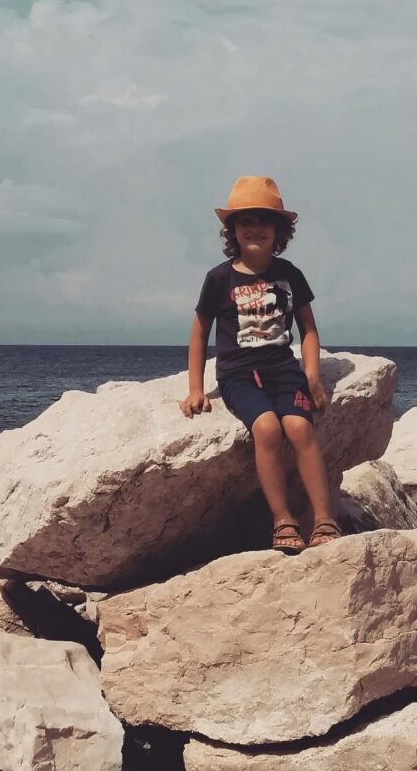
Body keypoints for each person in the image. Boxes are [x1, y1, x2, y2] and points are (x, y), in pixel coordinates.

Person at [178, 175, 342, 553]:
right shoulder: (219, 279)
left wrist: (312, 376)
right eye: (245, 221)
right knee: (267, 428)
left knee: (300, 428)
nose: (255, 228)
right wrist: (195, 389)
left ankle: (323, 519)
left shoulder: (289, 275)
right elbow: (200, 332)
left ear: (279, 230)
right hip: (239, 374)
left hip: (283, 371)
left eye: (264, 220)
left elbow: (309, 329)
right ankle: (283, 519)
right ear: (232, 230)